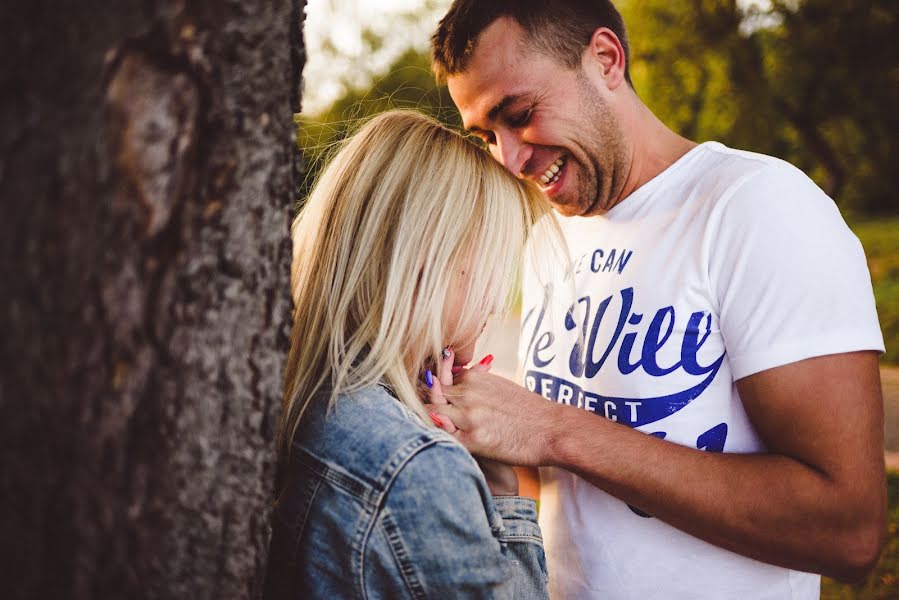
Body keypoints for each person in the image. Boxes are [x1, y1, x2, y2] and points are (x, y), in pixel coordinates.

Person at [426, 1, 887, 598]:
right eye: (488, 136)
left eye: (520, 114)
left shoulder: (757, 208)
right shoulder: (548, 236)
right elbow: (564, 492)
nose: (510, 159)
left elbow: (848, 531)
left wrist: (552, 430)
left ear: (606, 59)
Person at [263, 110, 556, 599]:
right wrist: (505, 497)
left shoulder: (298, 396)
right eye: (493, 261)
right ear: (428, 260)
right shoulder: (419, 468)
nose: (499, 298)